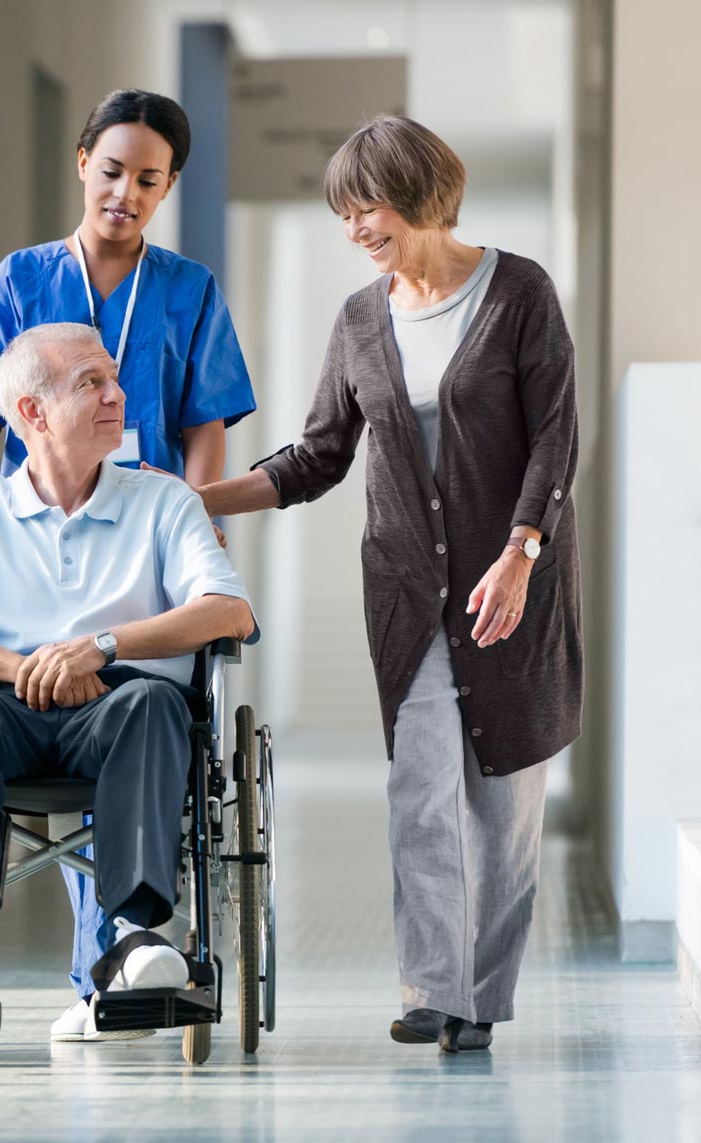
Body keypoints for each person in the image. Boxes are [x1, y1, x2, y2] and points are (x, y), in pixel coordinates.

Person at [190, 116, 582, 1053]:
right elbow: (319, 454)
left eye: (367, 205)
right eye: (345, 211)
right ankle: (433, 986)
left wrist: (522, 551)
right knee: (421, 790)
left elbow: (556, 438)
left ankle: (481, 1001)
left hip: (511, 588)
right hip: (408, 594)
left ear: (421, 195)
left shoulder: (520, 292)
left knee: (503, 809)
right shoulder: (361, 319)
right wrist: (196, 498)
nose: (357, 226)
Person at [0, 88, 257, 1042]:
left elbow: (203, 425)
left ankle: (117, 960)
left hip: (137, 527)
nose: (126, 194)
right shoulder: (22, 280)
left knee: (136, 704)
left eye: (148, 181)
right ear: (82, 165)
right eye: (112, 173)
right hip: (33, 520)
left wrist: (195, 521)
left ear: (168, 187)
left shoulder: (185, 291)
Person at [0, 323, 255, 1028]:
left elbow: (228, 610)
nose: (118, 395)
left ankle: (136, 935)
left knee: (152, 704)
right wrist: (18, 666)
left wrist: (100, 647)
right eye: (91, 383)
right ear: (32, 413)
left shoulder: (164, 501)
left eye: (112, 377)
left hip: (120, 705)